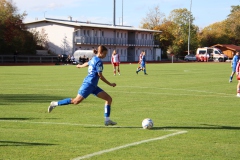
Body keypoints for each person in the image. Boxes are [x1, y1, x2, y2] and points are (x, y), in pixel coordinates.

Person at [48, 45, 117, 126]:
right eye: (105, 54)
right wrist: (110, 84)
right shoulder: (98, 62)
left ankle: (107, 120)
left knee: (108, 99)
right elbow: (100, 76)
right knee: (76, 101)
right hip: (88, 85)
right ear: (100, 52)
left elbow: (87, 64)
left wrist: (80, 66)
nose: (105, 56)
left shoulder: (94, 59)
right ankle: (54, 104)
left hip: (93, 86)